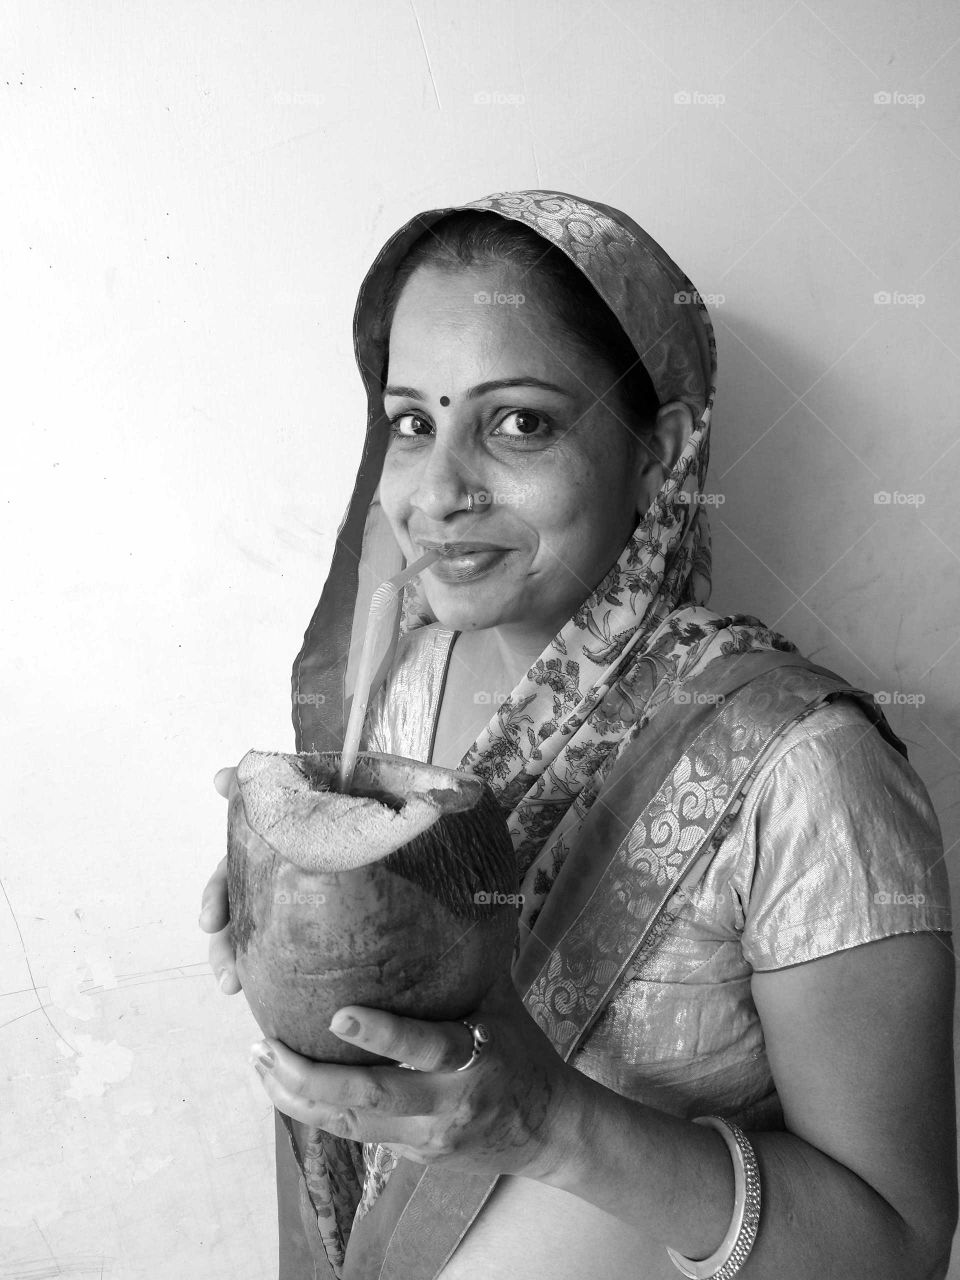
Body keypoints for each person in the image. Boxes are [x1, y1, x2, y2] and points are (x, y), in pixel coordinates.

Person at [199, 190, 956, 1280]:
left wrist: (555, 1121)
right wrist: (290, 911)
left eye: (520, 421)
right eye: (413, 420)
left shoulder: (801, 769)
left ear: (665, 451)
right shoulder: (395, 696)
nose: (439, 489)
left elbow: (896, 1245)